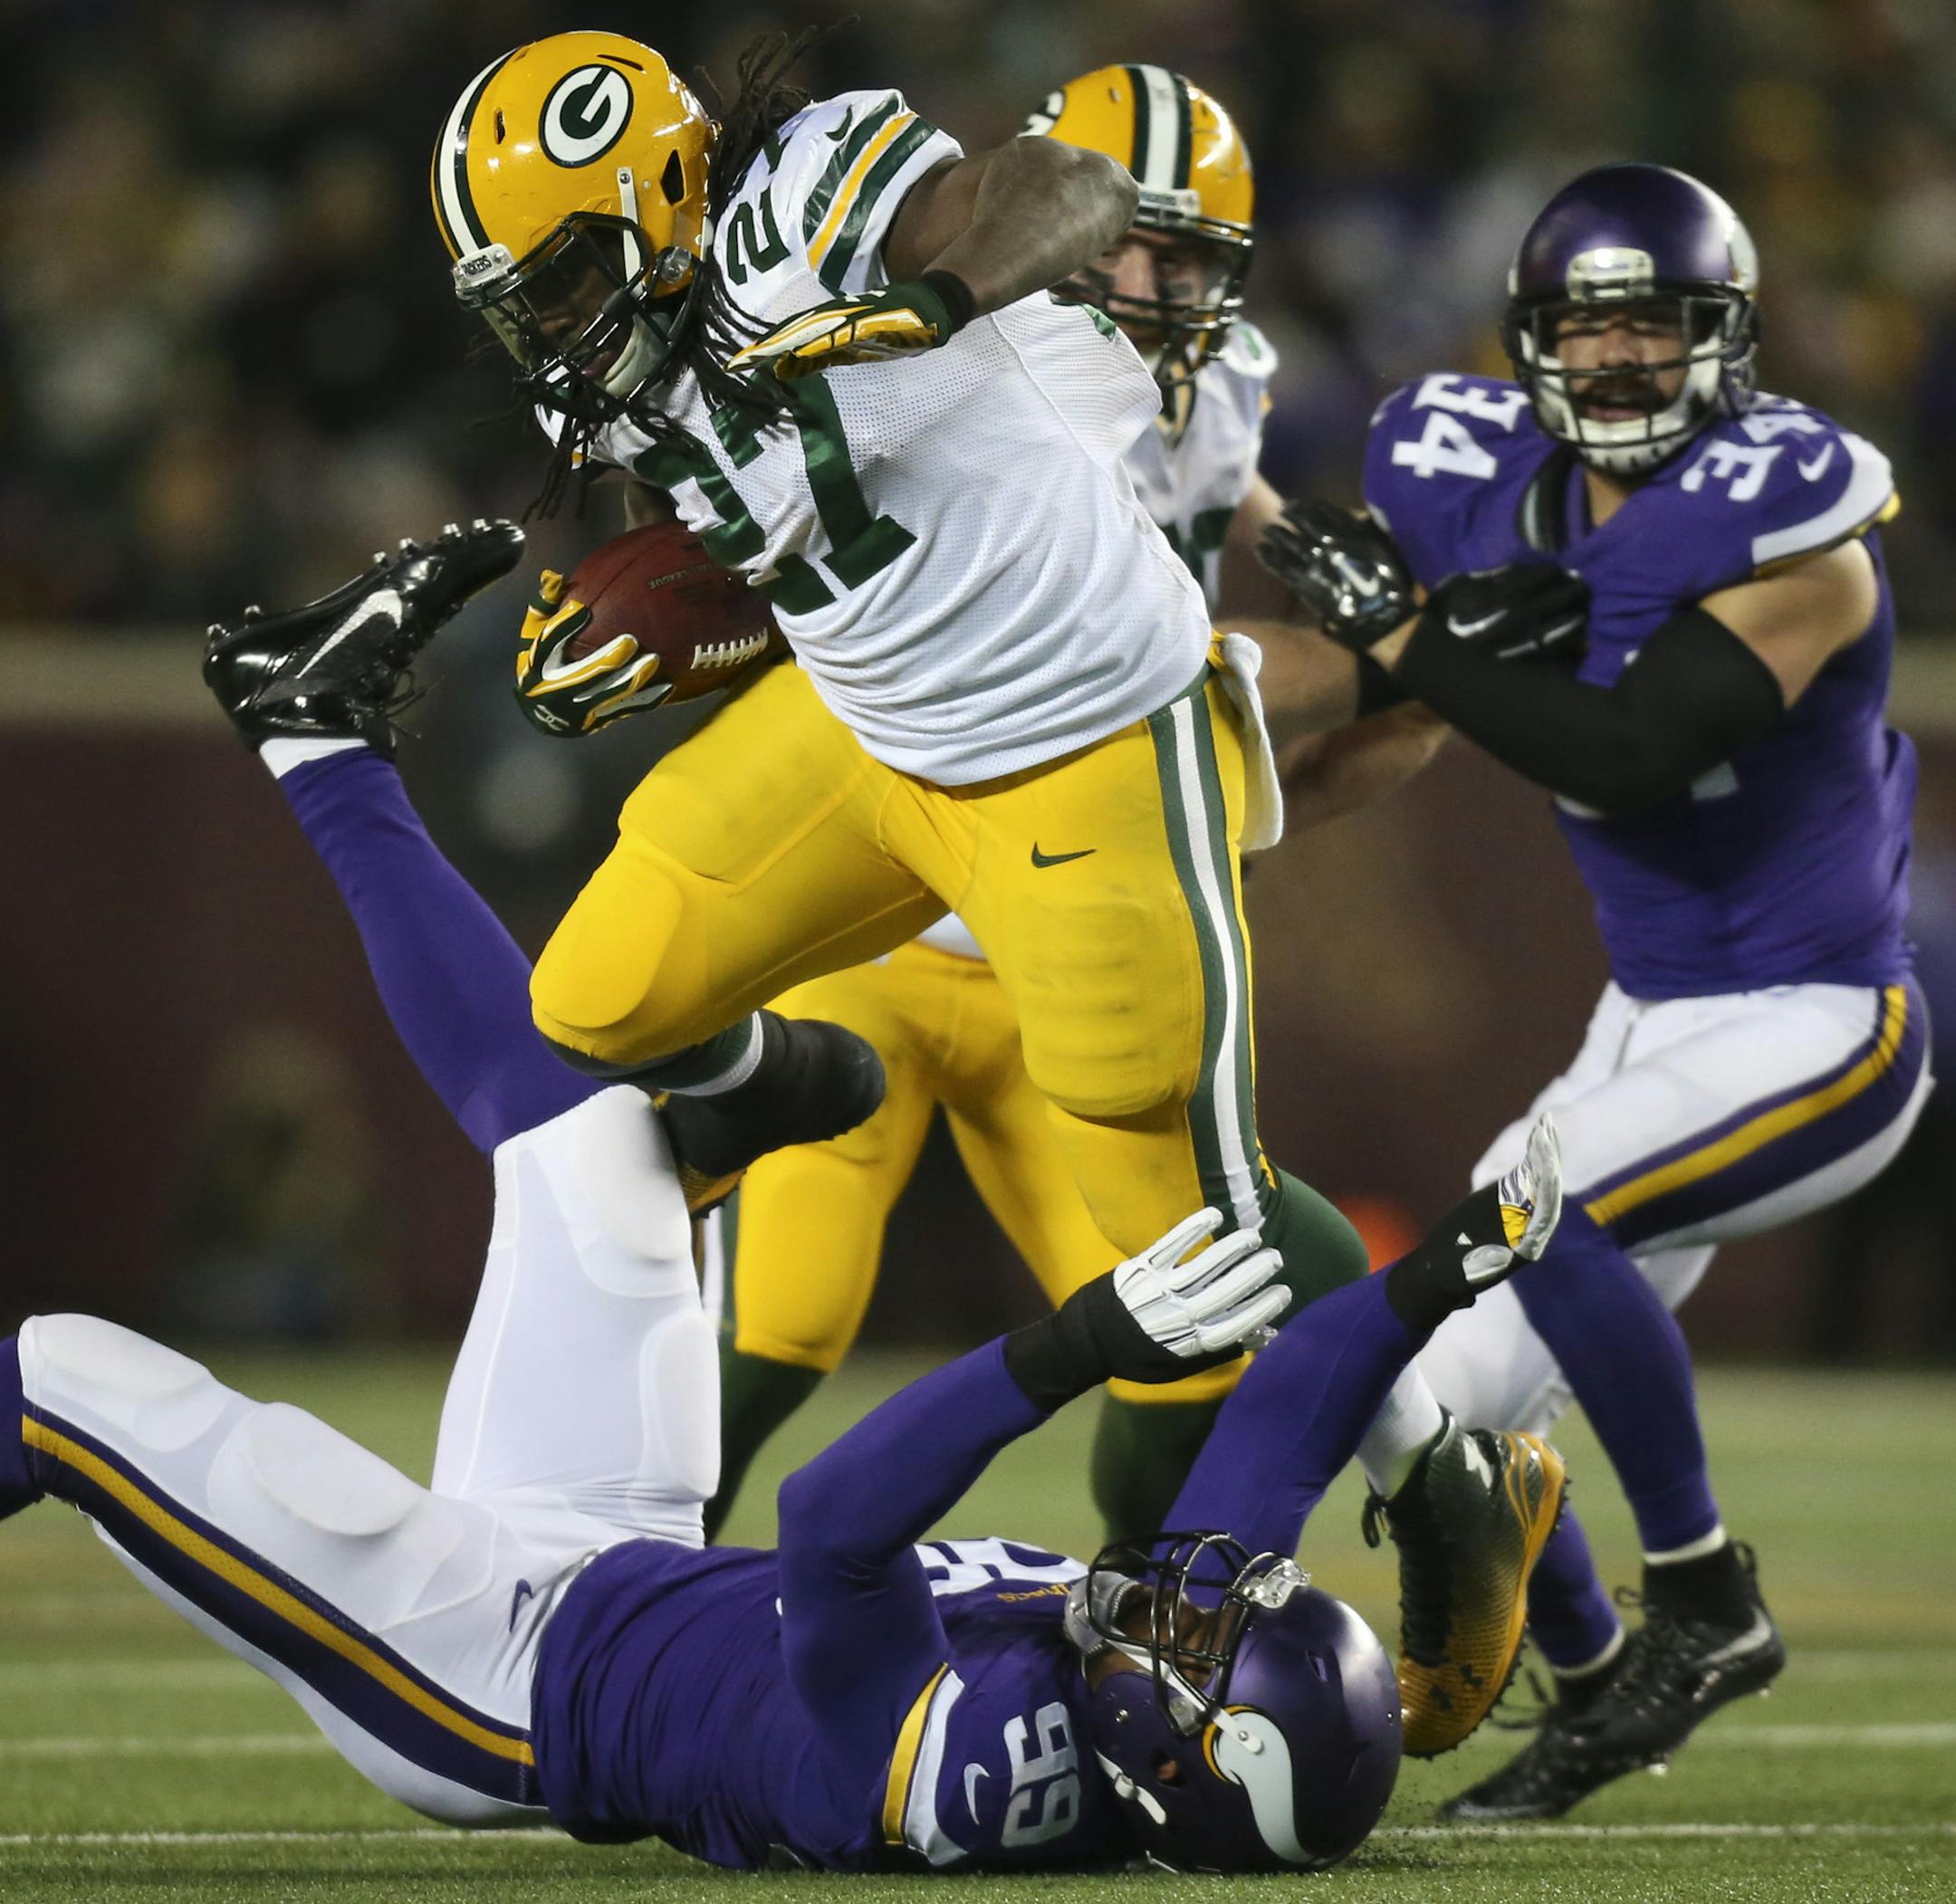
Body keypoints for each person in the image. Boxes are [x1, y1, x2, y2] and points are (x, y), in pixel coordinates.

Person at [0, 537, 1568, 1874]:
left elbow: (831, 1525)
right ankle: (316, 729)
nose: (1187, 1595)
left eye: (1201, 1640)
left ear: (1173, 1757)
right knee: (588, 1140)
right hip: (618, 1552)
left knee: (63, 1380)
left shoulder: (973, 1778)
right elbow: (1286, 1427)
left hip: (487, 1676)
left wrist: (1083, 1339)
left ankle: (729, 1083)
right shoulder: (1150, 1694)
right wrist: (1445, 1269)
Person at [435, 32, 1543, 1755]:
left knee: (1203, 1237)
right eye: (525, 300)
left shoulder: (802, 203)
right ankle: (800, 1085)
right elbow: (791, 527)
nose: (552, 327)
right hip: (863, 729)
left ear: (655, 204)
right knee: (597, 998)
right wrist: (670, 626)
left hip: (1076, 742)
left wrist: (936, 299)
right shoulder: (617, 367)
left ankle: (1458, 1483)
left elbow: (1066, 188)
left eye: (567, 277)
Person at [1258, 162, 1930, 1818]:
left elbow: (1627, 754)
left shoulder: (1800, 535)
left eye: (1657, 325)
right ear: (1531, 343)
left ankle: (1703, 1598)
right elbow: (1395, 701)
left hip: (1820, 1021)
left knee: (1536, 1208)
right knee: (1426, 1411)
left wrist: (1414, 638)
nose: (1620, 357)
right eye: (1588, 326)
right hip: (1646, 1023)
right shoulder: (1472, 481)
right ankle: (1591, 1664)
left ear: (1728, 340)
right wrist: (1250, 724)